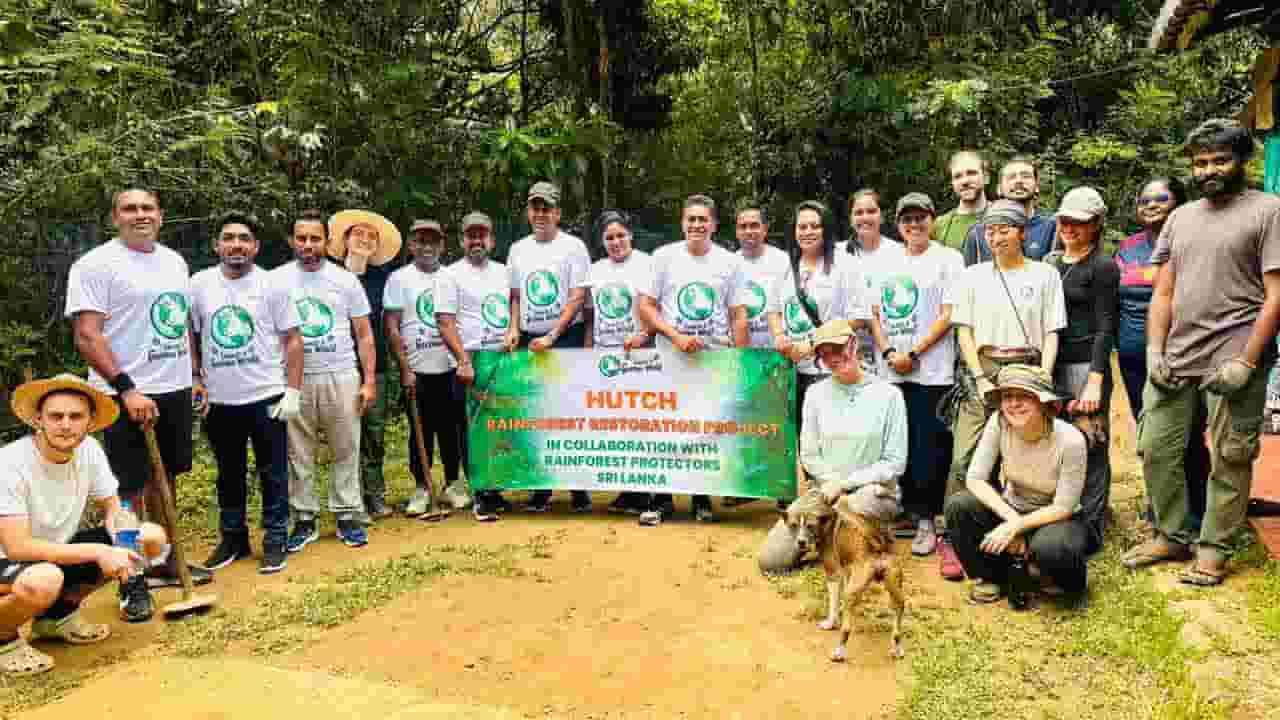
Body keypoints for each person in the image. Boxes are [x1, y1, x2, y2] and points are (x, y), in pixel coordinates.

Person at [1125, 119, 1280, 586]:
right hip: (1178, 354)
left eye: (1219, 160)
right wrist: (1155, 351)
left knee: (1231, 456)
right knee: (1156, 447)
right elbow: (1163, 294)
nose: (1209, 170)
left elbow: (1276, 294)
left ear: (1241, 162)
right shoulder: (1181, 216)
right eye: (1200, 163)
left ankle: (1213, 547)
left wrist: (1247, 362)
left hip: (1234, 354)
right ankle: (1171, 533)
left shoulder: (1268, 211)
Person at [64, 188, 209, 624]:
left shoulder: (173, 261)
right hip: (123, 394)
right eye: (130, 208)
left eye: (148, 208)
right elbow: (87, 336)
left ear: (160, 216)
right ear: (115, 217)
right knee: (126, 491)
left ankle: (163, 557)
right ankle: (131, 579)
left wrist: (195, 375)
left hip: (174, 390)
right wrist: (127, 389)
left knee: (166, 480)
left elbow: (178, 322)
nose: (140, 215)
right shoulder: (95, 265)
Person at [0, 374, 168, 676]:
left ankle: (56, 617)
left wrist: (124, 541)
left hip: (51, 553)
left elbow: (114, 507)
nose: (66, 424)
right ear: (39, 419)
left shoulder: (89, 449)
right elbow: (17, 546)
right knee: (43, 579)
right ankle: (4, 638)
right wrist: (98, 552)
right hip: (9, 560)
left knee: (149, 538)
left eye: (75, 416)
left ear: (90, 421)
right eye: (56, 416)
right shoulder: (9, 463)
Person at [942, 199, 1067, 580]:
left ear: (1022, 233)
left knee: (1028, 445)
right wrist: (979, 376)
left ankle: (1036, 531)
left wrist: (1042, 379)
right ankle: (955, 536)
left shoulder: (1045, 274)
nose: (996, 237)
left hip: (1028, 365)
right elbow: (964, 330)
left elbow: (1051, 330)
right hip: (986, 364)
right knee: (966, 453)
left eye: (1004, 229)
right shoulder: (973, 275)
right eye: (990, 230)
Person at [189, 211, 302, 575]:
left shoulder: (273, 285)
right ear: (216, 245)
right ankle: (233, 538)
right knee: (228, 471)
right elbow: (190, 334)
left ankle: (274, 539)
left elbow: (293, 340)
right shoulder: (199, 284)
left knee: (273, 472)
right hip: (220, 399)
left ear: (255, 246)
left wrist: (293, 391)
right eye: (228, 237)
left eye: (243, 238)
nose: (235, 244)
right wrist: (195, 377)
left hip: (266, 393)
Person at [756, 320, 908, 574]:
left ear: (854, 344)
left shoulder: (889, 395)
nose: (832, 358)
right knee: (772, 560)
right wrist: (831, 484)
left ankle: (859, 540)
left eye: (838, 349)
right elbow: (809, 454)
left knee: (855, 505)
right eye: (824, 354)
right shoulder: (815, 394)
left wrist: (845, 484)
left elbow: (894, 463)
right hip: (825, 492)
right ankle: (843, 539)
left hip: (873, 493)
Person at [638, 194, 749, 525]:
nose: (697, 225)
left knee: (703, 427)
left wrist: (738, 362)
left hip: (711, 359)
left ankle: (701, 498)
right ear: (682, 223)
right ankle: (661, 500)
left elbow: (738, 314)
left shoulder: (730, 262)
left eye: (703, 220)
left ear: (714, 225)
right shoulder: (663, 257)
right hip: (669, 357)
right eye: (691, 219)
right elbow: (645, 306)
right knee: (665, 427)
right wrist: (674, 336)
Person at [271, 210, 377, 552]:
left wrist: (369, 380)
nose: (308, 245)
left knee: (346, 446)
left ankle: (348, 515)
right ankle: (304, 518)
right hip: (294, 379)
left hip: (341, 373)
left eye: (315, 238)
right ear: (292, 241)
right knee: (297, 450)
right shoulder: (275, 280)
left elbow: (364, 334)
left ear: (327, 243)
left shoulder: (345, 280)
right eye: (301, 238)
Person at [944, 365, 1090, 607]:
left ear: (1044, 403)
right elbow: (975, 478)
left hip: (1056, 518)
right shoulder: (998, 422)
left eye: (1024, 396)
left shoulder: (1071, 440)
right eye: (1007, 397)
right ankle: (992, 577)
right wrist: (1013, 522)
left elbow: (1064, 506)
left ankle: (1050, 574)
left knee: (1054, 548)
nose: (1013, 404)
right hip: (1013, 507)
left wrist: (1017, 527)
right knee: (959, 506)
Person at [870, 193, 962, 556]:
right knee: (898, 441)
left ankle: (928, 519)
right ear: (898, 224)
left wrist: (915, 352)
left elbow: (948, 313)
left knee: (930, 444)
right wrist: (891, 353)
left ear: (932, 219)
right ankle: (907, 510)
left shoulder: (948, 260)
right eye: (907, 219)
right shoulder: (885, 261)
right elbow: (875, 314)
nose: (914, 225)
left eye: (920, 218)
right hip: (891, 369)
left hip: (932, 369)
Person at [1115, 177, 1209, 526]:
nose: (1151, 204)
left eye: (1161, 198)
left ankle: (1198, 509)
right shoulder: (1128, 247)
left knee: (1188, 435)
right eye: (1144, 199)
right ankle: (1161, 505)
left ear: (1179, 202)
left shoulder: (1194, 241)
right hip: (1134, 358)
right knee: (1149, 435)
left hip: (1183, 355)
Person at [507, 181, 593, 513]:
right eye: (535, 208)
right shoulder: (518, 249)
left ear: (557, 212)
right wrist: (514, 328)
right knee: (537, 413)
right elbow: (515, 295)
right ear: (529, 212)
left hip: (565, 337)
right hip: (530, 338)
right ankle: (541, 488)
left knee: (571, 411)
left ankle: (578, 488)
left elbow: (577, 297)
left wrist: (554, 336)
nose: (540, 213)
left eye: (547, 208)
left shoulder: (573, 247)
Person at [1044, 187, 1118, 554]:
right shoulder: (1051, 260)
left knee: (1091, 442)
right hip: (1053, 363)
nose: (1069, 227)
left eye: (1079, 222)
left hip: (1084, 364)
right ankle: (1063, 516)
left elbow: (1107, 327)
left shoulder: (1102, 266)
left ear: (1096, 225)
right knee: (1060, 442)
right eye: (1064, 219)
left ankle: (1091, 527)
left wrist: (1095, 380)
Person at [385, 219, 471, 517]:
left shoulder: (451, 277)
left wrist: (463, 361)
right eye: (420, 241)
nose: (426, 247)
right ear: (411, 245)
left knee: (450, 429)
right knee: (419, 430)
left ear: (442, 246)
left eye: (432, 241)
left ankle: (452, 483)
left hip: (448, 366)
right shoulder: (399, 279)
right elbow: (392, 326)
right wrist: (404, 367)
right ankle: (422, 486)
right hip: (417, 368)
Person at [436, 211, 517, 522]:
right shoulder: (450, 274)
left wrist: (513, 328)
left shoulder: (504, 271)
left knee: (498, 424)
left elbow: (514, 301)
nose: (477, 240)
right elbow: (444, 321)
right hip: (470, 360)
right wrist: (463, 360)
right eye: (471, 235)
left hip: (500, 358)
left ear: (492, 239)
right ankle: (480, 492)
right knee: (471, 428)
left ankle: (494, 489)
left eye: (482, 235)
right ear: (462, 240)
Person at [326, 210, 404, 523]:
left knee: (374, 433)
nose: (365, 240)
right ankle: (349, 500)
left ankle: (374, 496)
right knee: (344, 435)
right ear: (344, 239)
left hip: (377, 367)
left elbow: (386, 324)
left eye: (372, 236)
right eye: (359, 233)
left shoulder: (382, 279)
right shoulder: (328, 275)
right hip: (337, 366)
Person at [582, 210, 656, 515]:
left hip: (640, 355)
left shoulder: (646, 263)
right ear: (602, 241)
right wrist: (587, 349)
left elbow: (656, 307)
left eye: (620, 236)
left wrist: (645, 334)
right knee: (616, 424)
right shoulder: (595, 270)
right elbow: (589, 314)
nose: (615, 242)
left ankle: (646, 491)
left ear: (631, 236)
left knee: (642, 424)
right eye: (609, 238)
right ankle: (628, 490)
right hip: (605, 356)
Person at [844, 189, 904, 376]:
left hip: (890, 353)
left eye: (871, 211)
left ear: (881, 215)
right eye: (858, 212)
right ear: (851, 218)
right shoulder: (839, 254)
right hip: (848, 353)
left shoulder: (899, 252)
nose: (865, 217)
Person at [962, 156, 1057, 265]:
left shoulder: (1052, 227)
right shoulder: (978, 233)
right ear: (999, 188)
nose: (1019, 181)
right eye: (1011, 177)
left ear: (1037, 186)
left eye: (1026, 176)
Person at [932, 151, 990, 253]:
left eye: (971, 173)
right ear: (952, 183)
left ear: (986, 177)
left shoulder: (1003, 216)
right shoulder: (939, 225)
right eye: (957, 176)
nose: (965, 181)